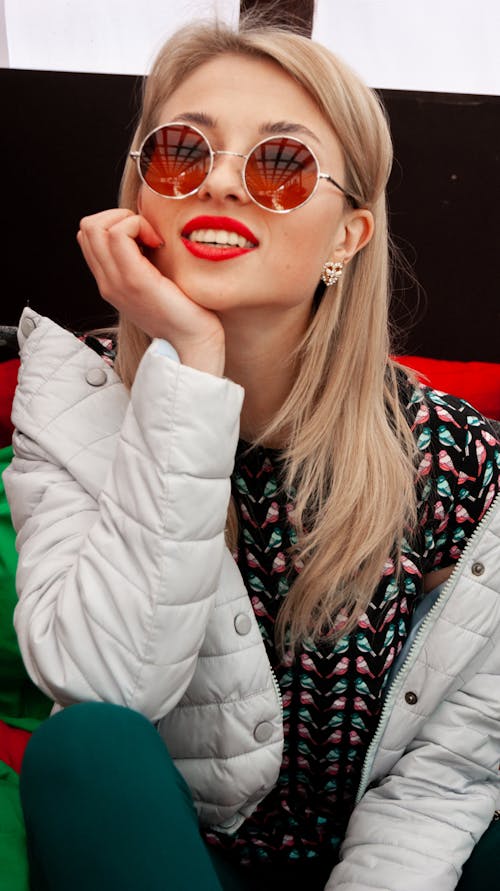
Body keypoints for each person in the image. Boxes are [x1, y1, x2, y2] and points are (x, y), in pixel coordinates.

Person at [3, 15, 500, 891]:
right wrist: (191, 358)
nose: (221, 186)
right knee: (87, 746)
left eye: (280, 162)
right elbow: (104, 682)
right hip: (177, 857)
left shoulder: (458, 458)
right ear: (140, 197)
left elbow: (449, 774)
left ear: (347, 237)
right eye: (182, 153)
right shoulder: (74, 399)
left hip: (390, 864)